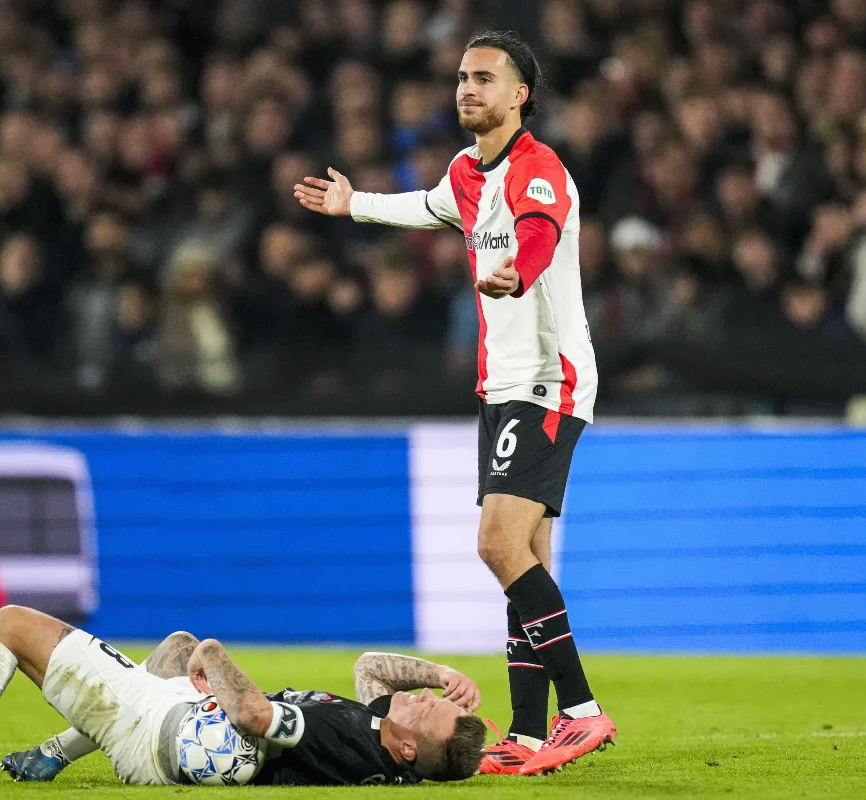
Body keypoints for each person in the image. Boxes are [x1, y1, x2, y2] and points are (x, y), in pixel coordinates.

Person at [293, 30, 616, 776]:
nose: (467, 89)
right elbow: (428, 207)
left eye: (483, 78)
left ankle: (582, 712)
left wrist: (516, 273)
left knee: (496, 545)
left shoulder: (539, 170)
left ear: (519, 95)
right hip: (502, 385)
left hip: (546, 380)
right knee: (524, 559)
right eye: (462, 78)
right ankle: (530, 734)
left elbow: (538, 232)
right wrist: (355, 206)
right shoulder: (468, 172)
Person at [0, 605, 487, 786]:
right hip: (169, 724)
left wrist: (213, 660)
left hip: (157, 730)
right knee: (173, 645)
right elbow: (372, 670)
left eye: (429, 716)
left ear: (407, 749)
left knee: (10, 627)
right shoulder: (378, 735)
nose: (426, 703)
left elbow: (254, 714)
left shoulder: (342, 740)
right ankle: (57, 749)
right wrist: (437, 678)